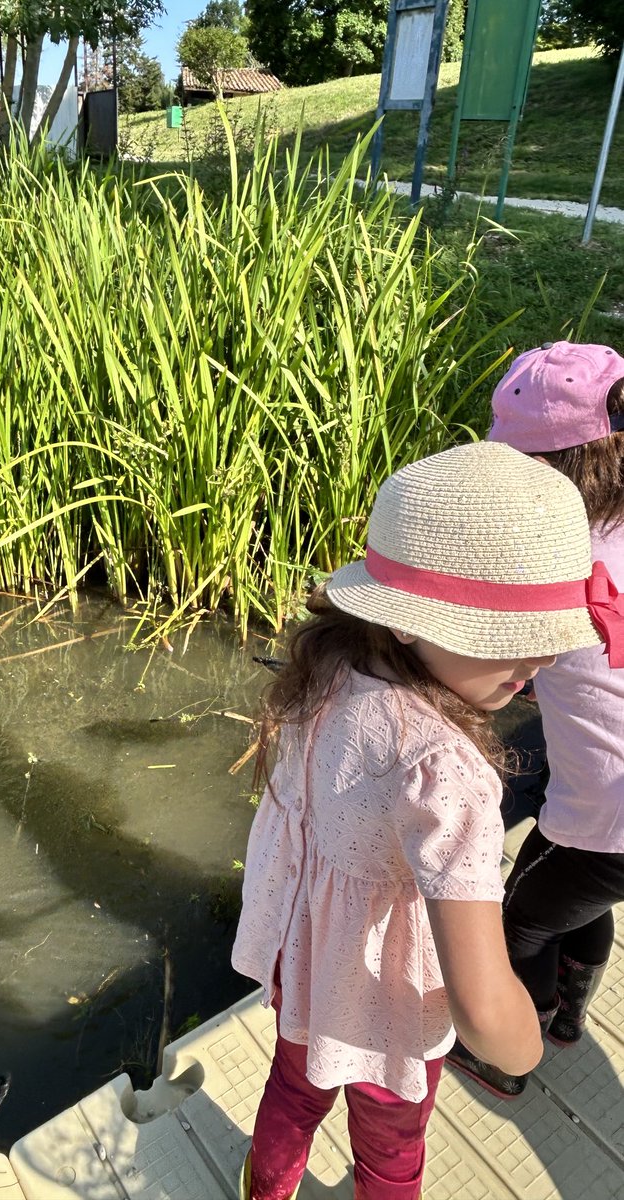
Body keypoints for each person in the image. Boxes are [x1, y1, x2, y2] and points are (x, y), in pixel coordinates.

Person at [231, 440, 621, 1200]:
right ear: (407, 624)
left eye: (546, 641)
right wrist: (524, 1044)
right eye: (508, 638)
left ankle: (265, 1190)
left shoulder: (329, 667)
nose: (536, 661)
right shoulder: (449, 773)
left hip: (303, 958)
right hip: (389, 1009)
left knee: (293, 1090)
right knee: (390, 1154)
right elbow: (484, 1012)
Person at [447, 340, 624, 1099]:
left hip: (604, 819)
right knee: (579, 902)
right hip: (611, 824)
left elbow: (489, 669)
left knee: (517, 921)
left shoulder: (547, 561)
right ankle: (570, 1019)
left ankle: (511, 1052)